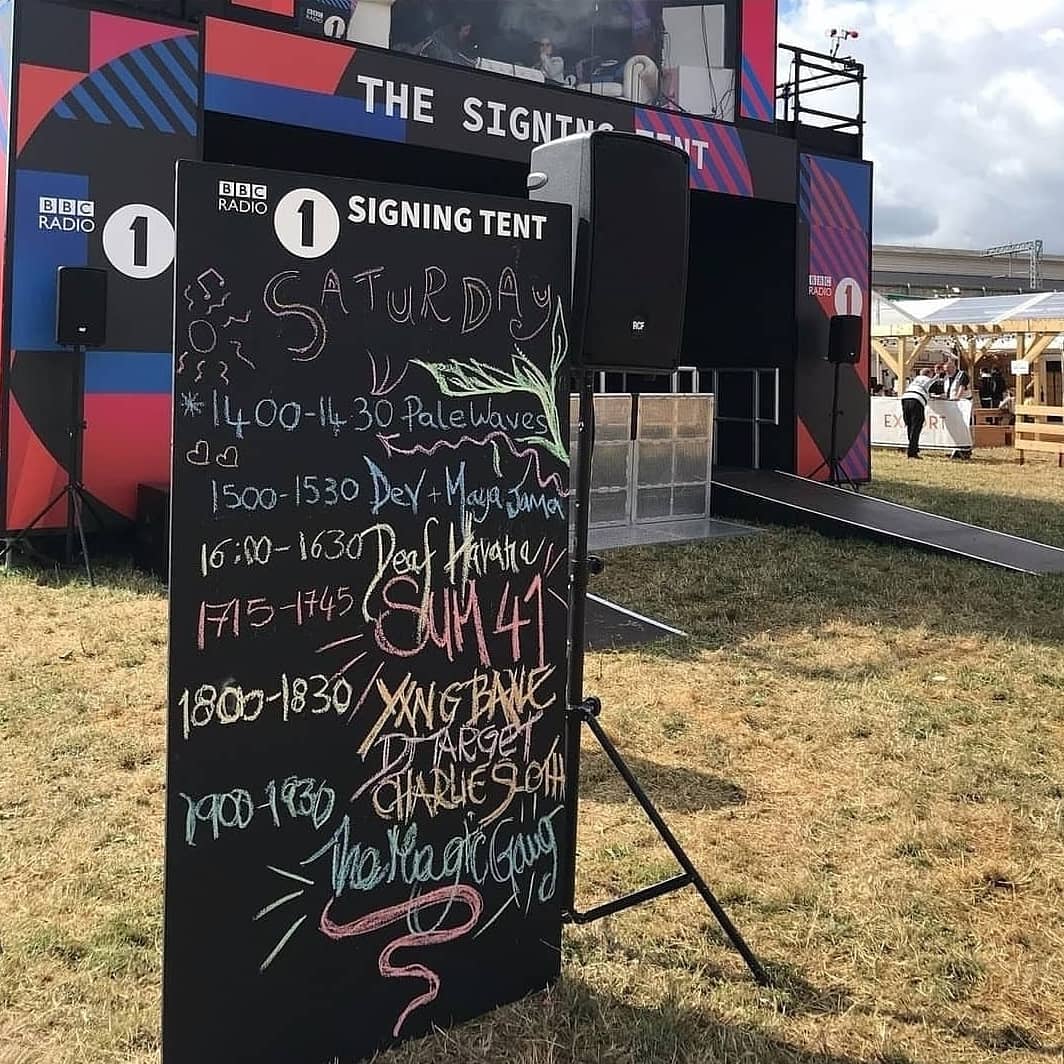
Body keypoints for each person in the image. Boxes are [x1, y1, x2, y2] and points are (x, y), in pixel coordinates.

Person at [901, 366, 938, 459]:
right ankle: (912, 452)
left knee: (909, 425)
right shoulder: (928, 379)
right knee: (916, 426)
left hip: (905, 398)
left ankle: (913, 447)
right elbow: (934, 381)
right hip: (917, 400)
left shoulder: (915, 380)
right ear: (929, 374)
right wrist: (937, 374)